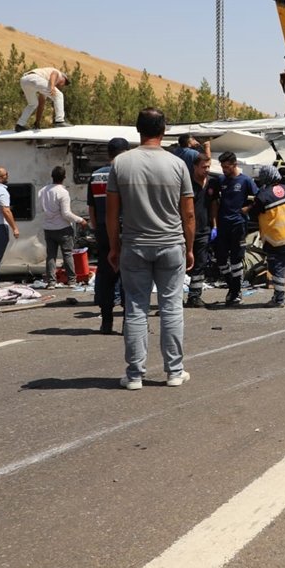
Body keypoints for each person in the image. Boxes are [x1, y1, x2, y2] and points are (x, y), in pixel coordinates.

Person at [106, 108, 195, 390]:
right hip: (171, 244)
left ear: (137, 129)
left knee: (135, 309)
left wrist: (113, 247)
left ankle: (134, 375)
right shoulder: (178, 164)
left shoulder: (120, 164)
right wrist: (189, 247)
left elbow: (111, 214)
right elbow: (189, 214)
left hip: (135, 245)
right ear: (164, 130)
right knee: (171, 307)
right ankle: (174, 372)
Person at [88, 137, 131, 334]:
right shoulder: (127, 173)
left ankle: (106, 322)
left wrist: (97, 230)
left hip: (103, 231)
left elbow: (92, 209)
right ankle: (128, 323)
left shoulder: (95, 176)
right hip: (125, 230)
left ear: (109, 153)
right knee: (128, 276)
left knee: (106, 276)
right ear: (126, 153)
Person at [250, 165, 285, 307]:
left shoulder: (262, 196)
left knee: (278, 269)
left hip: (276, 239)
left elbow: (253, 215)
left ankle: (278, 299)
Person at [213, 151, 258, 307]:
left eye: (226, 167)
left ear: (234, 164)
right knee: (220, 259)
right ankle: (232, 288)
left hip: (238, 224)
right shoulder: (221, 180)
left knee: (236, 260)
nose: (224, 170)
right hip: (222, 225)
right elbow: (213, 200)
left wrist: (247, 208)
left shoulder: (246, 181)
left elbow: (258, 199)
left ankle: (236, 292)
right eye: (222, 167)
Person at [38, 165, 88, 289]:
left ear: (52, 176)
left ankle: (51, 282)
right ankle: (71, 280)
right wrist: (80, 220)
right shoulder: (63, 192)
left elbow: (42, 209)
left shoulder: (42, 191)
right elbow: (66, 214)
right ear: (64, 177)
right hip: (63, 229)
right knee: (67, 254)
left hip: (48, 228)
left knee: (51, 255)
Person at [185, 152, 216, 308]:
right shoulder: (187, 185)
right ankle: (174, 300)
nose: (207, 170)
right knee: (181, 266)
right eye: (204, 167)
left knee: (201, 264)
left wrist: (214, 225)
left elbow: (213, 205)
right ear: (195, 167)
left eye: (208, 166)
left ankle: (194, 296)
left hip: (204, 230)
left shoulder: (211, 184)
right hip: (186, 232)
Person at [15, 67, 70, 131]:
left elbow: (41, 104)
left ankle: (19, 125)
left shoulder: (44, 84)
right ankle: (59, 121)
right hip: (34, 78)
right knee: (59, 95)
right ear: (63, 78)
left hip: (24, 81)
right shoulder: (58, 74)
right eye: (64, 83)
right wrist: (52, 86)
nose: (62, 86)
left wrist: (37, 122)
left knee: (33, 104)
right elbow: (54, 74)